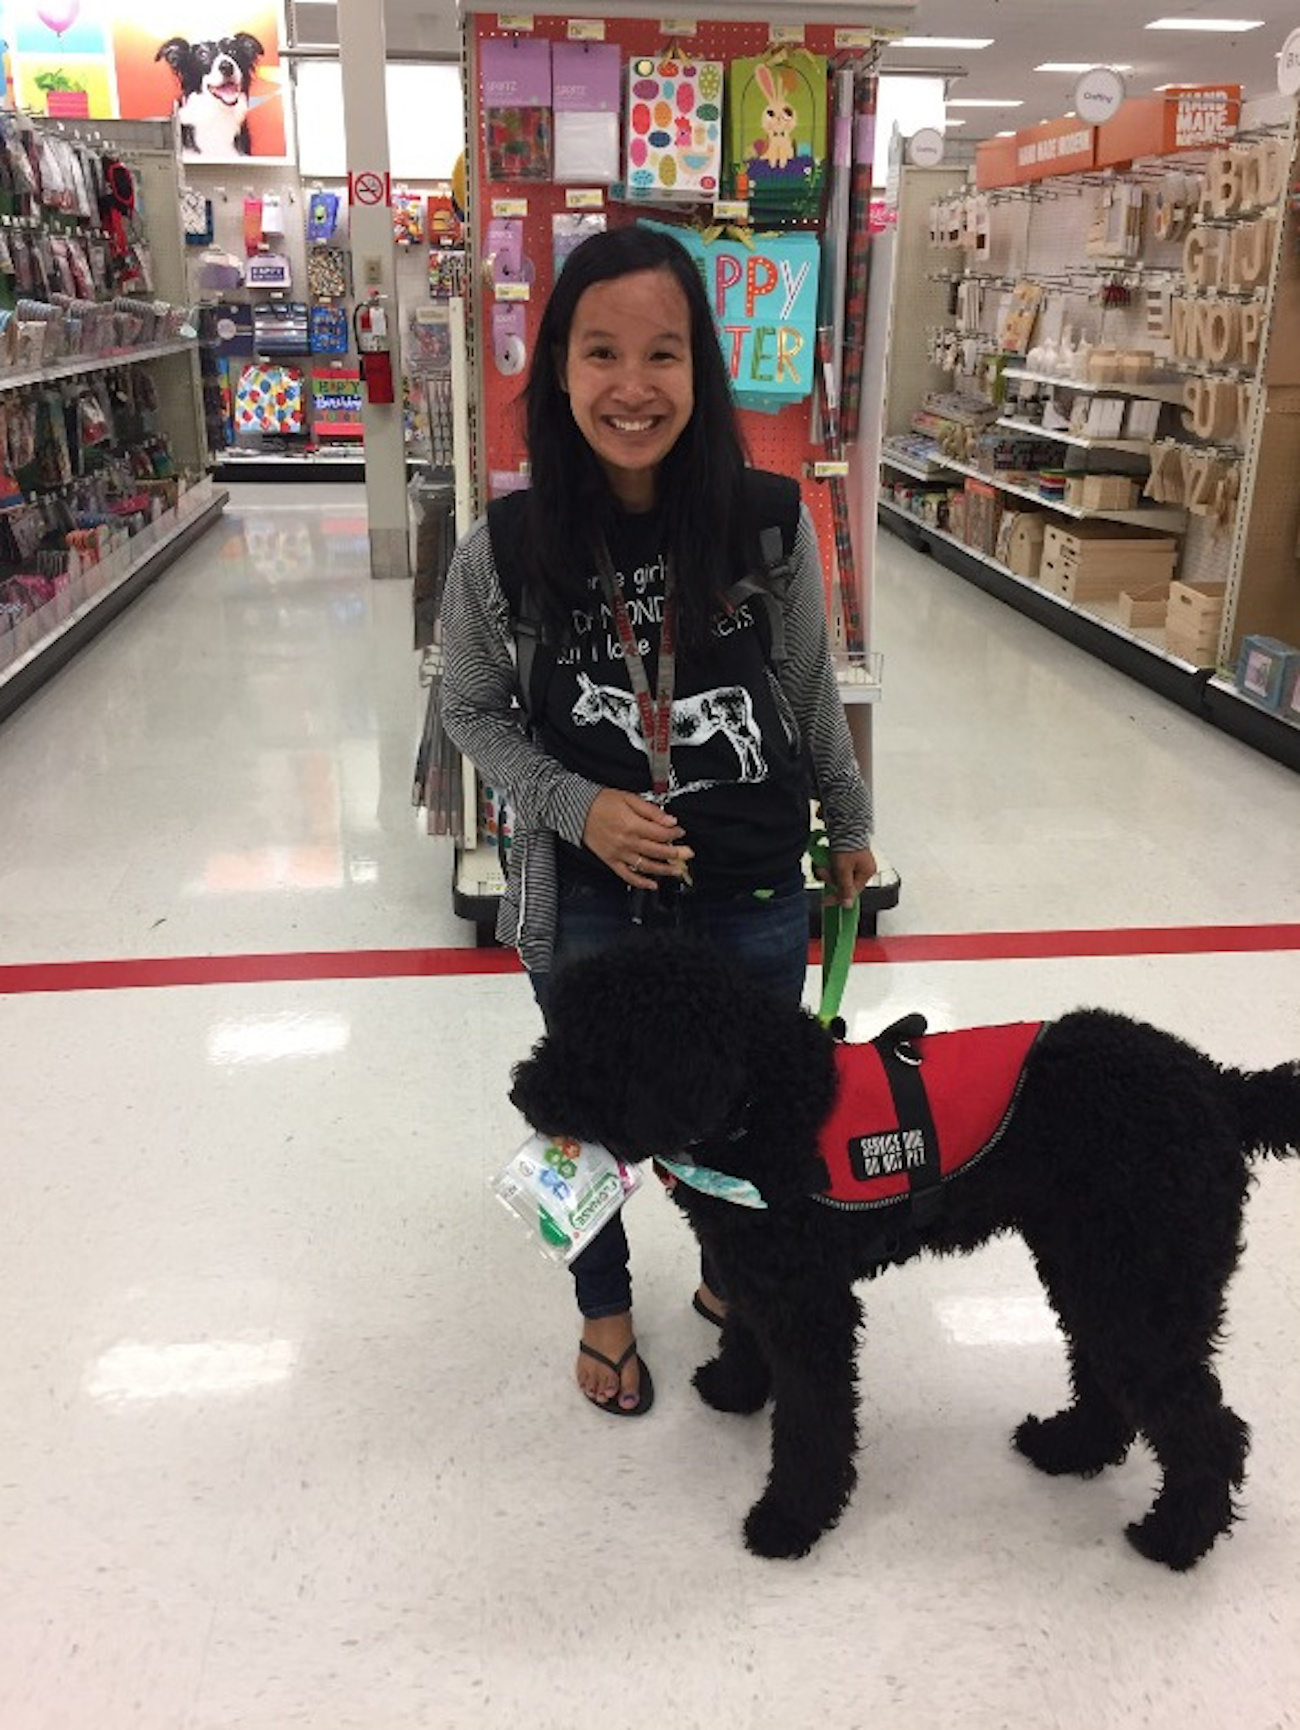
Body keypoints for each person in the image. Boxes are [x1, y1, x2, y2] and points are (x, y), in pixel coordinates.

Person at [440, 225, 875, 1416]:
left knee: (742, 1107)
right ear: (560, 368)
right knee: (587, 1121)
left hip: (749, 892)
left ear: (703, 368)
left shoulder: (769, 523)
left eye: (664, 354)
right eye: (600, 353)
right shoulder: (506, 551)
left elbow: (802, 688)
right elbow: (470, 712)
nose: (633, 388)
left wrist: (845, 821)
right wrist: (580, 809)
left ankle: (733, 1281)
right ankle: (604, 1309)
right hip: (588, 904)